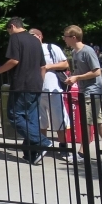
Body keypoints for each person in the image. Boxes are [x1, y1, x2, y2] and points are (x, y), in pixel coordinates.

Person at [0, 17, 49, 165]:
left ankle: (42, 141)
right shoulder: (36, 40)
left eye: (8, 30)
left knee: (14, 115)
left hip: (22, 84)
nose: (9, 33)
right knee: (31, 119)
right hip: (36, 84)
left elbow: (14, 60)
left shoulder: (15, 38)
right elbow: (43, 66)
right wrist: (40, 83)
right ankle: (32, 153)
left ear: (12, 26)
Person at [63, 25, 102, 163]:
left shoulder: (87, 51)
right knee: (98, 122)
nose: (64, 39)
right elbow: (79, 72)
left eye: (66, 36)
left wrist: (77, 78)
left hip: (92, 92)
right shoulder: (75, 52)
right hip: (85, 91)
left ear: (74, 37)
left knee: (86, 123)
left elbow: (97, 71)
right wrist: (73, 78)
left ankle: (82, 154)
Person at [30, 28, 73, 161]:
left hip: (53, 90)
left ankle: (63, 147)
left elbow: (65, 63)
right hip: (36, 91)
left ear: (40, 36)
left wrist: (48, 66)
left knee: (59, 120)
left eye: (34, 35)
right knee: (40, 122)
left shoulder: (51, 48)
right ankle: (42, 147)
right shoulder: (28, 50)